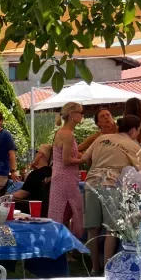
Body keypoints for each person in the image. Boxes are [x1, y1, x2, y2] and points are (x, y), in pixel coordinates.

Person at [80, 115, 141, 274]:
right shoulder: (133, 145)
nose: (138, 134)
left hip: (91, 183)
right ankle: (107, 269)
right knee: (111, 229)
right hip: (110, 185)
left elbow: (85, 158)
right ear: (133, 130)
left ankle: (94, 267)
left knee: (93, 228)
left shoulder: (101, 138)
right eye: (138, 131)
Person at [48, 101, 84, 238]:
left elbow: (72, 154)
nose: (82, 115)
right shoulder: (68, 134)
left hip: (62, 177)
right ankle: (65, 246)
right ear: (72, 115)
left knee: (64, 211)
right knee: (69, 211)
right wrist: (85, 160)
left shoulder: (62, 132)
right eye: (80, 112)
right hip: (65, 178)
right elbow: (67, 160)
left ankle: (64, 246)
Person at [13, 143, 53, 215]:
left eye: (37, 151)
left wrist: (4, 197)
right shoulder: (52, 173)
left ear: (41, 154)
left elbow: (20, 195)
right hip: (47, 211)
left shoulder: (36, 174)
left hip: (29, 210)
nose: (35, 154)